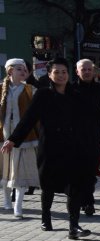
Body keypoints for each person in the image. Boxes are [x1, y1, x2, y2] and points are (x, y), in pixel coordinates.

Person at [1, 57, 100, 239]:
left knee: (74, 186)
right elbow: (29, 118)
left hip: (73, 147)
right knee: (48, 185)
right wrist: (13, 139)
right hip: (50, 147)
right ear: (49, 75)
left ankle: (74, 226)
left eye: (64, 72)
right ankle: (46, 217)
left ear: (68, 74)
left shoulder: (75, 94)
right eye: (56, 72)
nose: (61, 75)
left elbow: (92, 113)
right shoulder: (43, 95)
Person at [0, 58, 40, 217]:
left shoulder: (31, 89)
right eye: (19, 69)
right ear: (10, 71)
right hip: (3, 136)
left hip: (24, 137)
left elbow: (38, 112)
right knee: (5, 170)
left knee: (20, 172)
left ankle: (18, 205)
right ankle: (7, 201)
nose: (24, 72)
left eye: (25, 70)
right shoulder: (1, 88)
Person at [72, 58, 100, 216]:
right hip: (74, 138)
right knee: (77, 172)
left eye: (89, 69)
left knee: (90, 171)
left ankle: (88, 201)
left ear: (94, 71)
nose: (87, 72)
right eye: (83, 69)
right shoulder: (71, 89)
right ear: (77, 71)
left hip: (95, 137)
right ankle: (84, 200)